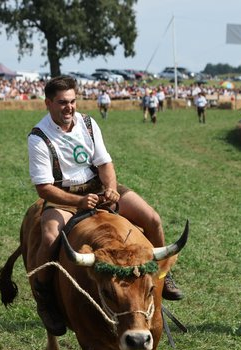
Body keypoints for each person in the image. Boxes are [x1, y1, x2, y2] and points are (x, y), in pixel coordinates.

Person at [27, 75, 184, 336]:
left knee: (153, 219)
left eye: (73, 101)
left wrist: (110, 188)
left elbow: (105, 164)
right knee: (49, 236)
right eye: (62, 102)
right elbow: (44, 188)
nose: (69, 107)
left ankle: (161, 277)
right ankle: (44, 299)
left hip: (98, 188)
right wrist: (78, 201)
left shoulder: (88, 123)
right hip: (63, 197)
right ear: (48, 103)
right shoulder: (38, 137)